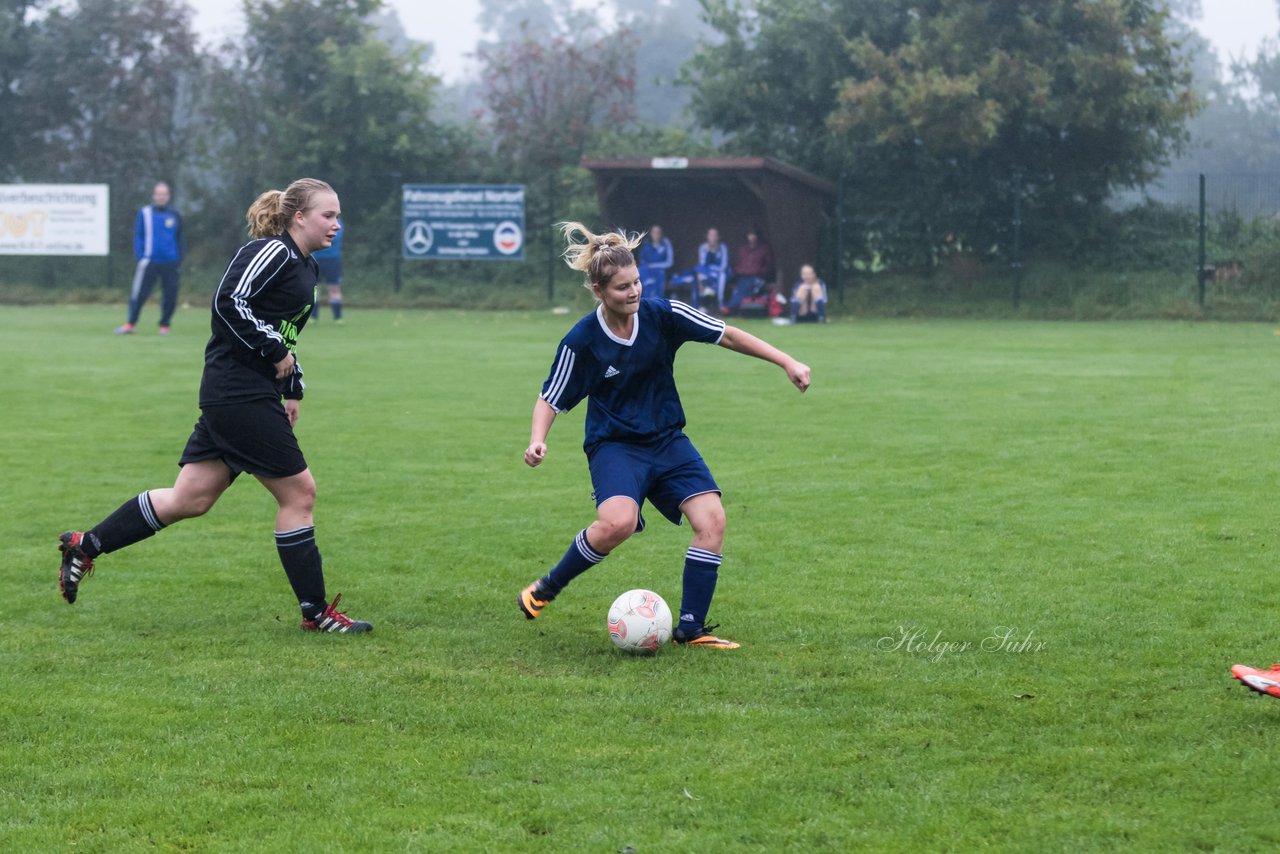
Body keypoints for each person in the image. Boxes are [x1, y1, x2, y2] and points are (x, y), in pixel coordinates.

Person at [57, 178, 372, 634]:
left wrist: (293, 386)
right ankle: (316, 613)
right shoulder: (270, 252)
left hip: (247, 392)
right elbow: (229, 303)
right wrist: (275, 356)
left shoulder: (307, 267)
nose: (336, 224)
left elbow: (283, 334)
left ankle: (86, 544)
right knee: (299, 494)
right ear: (298, 216)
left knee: (192, 497)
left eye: (338, 216)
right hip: (237, 392)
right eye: (328, 215)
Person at [517, 222, 811, 649]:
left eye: (636, 281)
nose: (633, 292)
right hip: (615, 446)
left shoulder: (663, 314)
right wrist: (536, 439)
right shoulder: (581, 340)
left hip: (668, 441)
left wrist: (786, 361)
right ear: (599, 290)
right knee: (616, 524)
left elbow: (726, 334)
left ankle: (691, 628)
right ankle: (545, 587)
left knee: (712, 521)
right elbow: (550, 397)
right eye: (621, 287)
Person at [116, 182, 184, 335]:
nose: (161, 197)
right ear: (154, 195)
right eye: (158, 194)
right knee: (138, 294)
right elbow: (138, 236)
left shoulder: (175, 214)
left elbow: (180, 239)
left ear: (168, 196)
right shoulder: (145, 212)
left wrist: (179, 259)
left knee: (170, 295)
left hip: (170, 261)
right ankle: (130, 324)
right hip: (149, 261)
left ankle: (165, 326)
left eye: (164, 194)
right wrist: (141, 257)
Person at [725, 226, 775, 314]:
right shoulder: (742, 249)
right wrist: (739, 271)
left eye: (753, 235)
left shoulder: (764, 249)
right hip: (743, 277)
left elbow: (769, 265)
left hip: (758, 277)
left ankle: (731, 307)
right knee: (743, 286)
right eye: (750, 235)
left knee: (746, 286)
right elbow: (737, 264)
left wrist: (759, 272)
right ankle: (736, 308)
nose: (752, 237)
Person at [312, 217, 344, 322]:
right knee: (315, 289)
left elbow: (333, 238)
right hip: (316, 259)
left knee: (334, 288)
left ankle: (338, 318)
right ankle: (313, 317)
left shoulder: (338, 224)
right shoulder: (316, 221)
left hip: (333, 260)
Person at [695, 227, 730, 311]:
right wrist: (708, 251)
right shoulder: (703, 247)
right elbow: (702, 264)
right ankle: (702, 304)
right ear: (707, 236)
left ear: (718, 237)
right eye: (710, 235)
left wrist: (714, 271)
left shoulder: (722, 248)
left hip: (719, 272)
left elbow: (724, 265)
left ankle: (719, 303)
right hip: (707, 272)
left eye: (715, 235)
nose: (712, 237)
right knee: (700, 276)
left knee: (721, 277)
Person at [637, 224, 673, 300]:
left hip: (661, 270)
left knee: (658, 277)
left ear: (661, 234)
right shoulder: (646, 244)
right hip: (647, 270)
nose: (656, 235)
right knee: (642, 271)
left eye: (658, 232)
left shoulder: (666, 243)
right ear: (650, 233)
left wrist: (653, 266)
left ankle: (657, 300)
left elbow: (669, 262)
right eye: (654, 232)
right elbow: (642, 260)